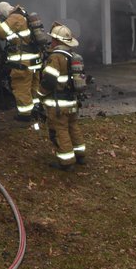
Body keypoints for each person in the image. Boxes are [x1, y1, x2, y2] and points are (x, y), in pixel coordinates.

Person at [38, 22, 88, 171]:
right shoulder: (73, 56)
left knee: (60, 131)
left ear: (57, 41)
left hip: (58, 104)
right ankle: (81, 155)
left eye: (53, 39)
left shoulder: (56, 58)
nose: (51, 42)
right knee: (73, 127)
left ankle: (66, 162)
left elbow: (49, 81)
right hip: (72, 101)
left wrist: (39, 95)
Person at [0, 1, 43, 122]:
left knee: (21, 87)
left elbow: (0, 32)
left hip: (23, 62)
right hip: (34, 60)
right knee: (33, 86)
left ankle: (24, 115)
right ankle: (36, 109)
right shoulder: (24, 15)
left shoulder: (15, 17)